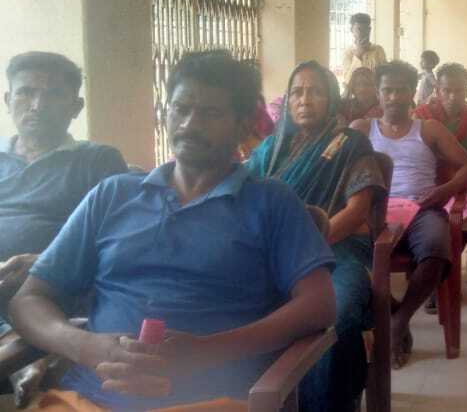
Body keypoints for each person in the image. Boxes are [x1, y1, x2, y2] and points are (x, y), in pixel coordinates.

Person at [9, 51, 336, 411]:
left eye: (210, 113)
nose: (189, 125)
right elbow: (28, 299)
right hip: (86, 399)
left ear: (244, 125)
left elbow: (319, 304)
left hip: (211, 401)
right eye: (180, 109)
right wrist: (84, 346)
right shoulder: (113, 195)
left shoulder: (270, 202)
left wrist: (205, 352)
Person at [246, 61, 386, 412]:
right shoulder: (269, 150)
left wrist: (307, 247)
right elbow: (245, 202)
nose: (305, 99)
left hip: (336, 254)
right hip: (273, 260)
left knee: (334, 316)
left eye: (315, 92)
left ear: (331, 99)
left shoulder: (350, 144)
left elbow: (357, 211)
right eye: (297, 92)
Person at [349, 61, 467, 369]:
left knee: (437, 248)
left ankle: (398, 321)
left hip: (422, 209)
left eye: (401, 90)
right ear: (378, 94)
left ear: (412, 94)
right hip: (375, 212)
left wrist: (442, 191)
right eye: (387, 90)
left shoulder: (429, 129)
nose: (394, 97)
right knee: (349, 258)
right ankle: (394, 312)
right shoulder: (361, 129)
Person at [0, 52, 128, 324]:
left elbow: (117, 243)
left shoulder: (97, 160)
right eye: (25, 93)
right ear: (8, 101)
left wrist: (45, 263)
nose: (37, 105)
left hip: (44, 292)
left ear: (76, 107)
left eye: (53, 95)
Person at [415, 62, 467, 187]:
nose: (453, 97)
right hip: (424, 181)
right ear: (437, 91)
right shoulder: (420, 117)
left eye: (459, 91)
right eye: (446, 90)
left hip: (462, 181)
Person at [341, 13, 387, 84]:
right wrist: (358, 56)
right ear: (352, 30)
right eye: (359, 29)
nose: (362, 33)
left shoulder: (378, 50)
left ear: (369, 30)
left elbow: (384, 78)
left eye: (366, 29)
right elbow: (348, 81)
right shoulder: (348, 53)